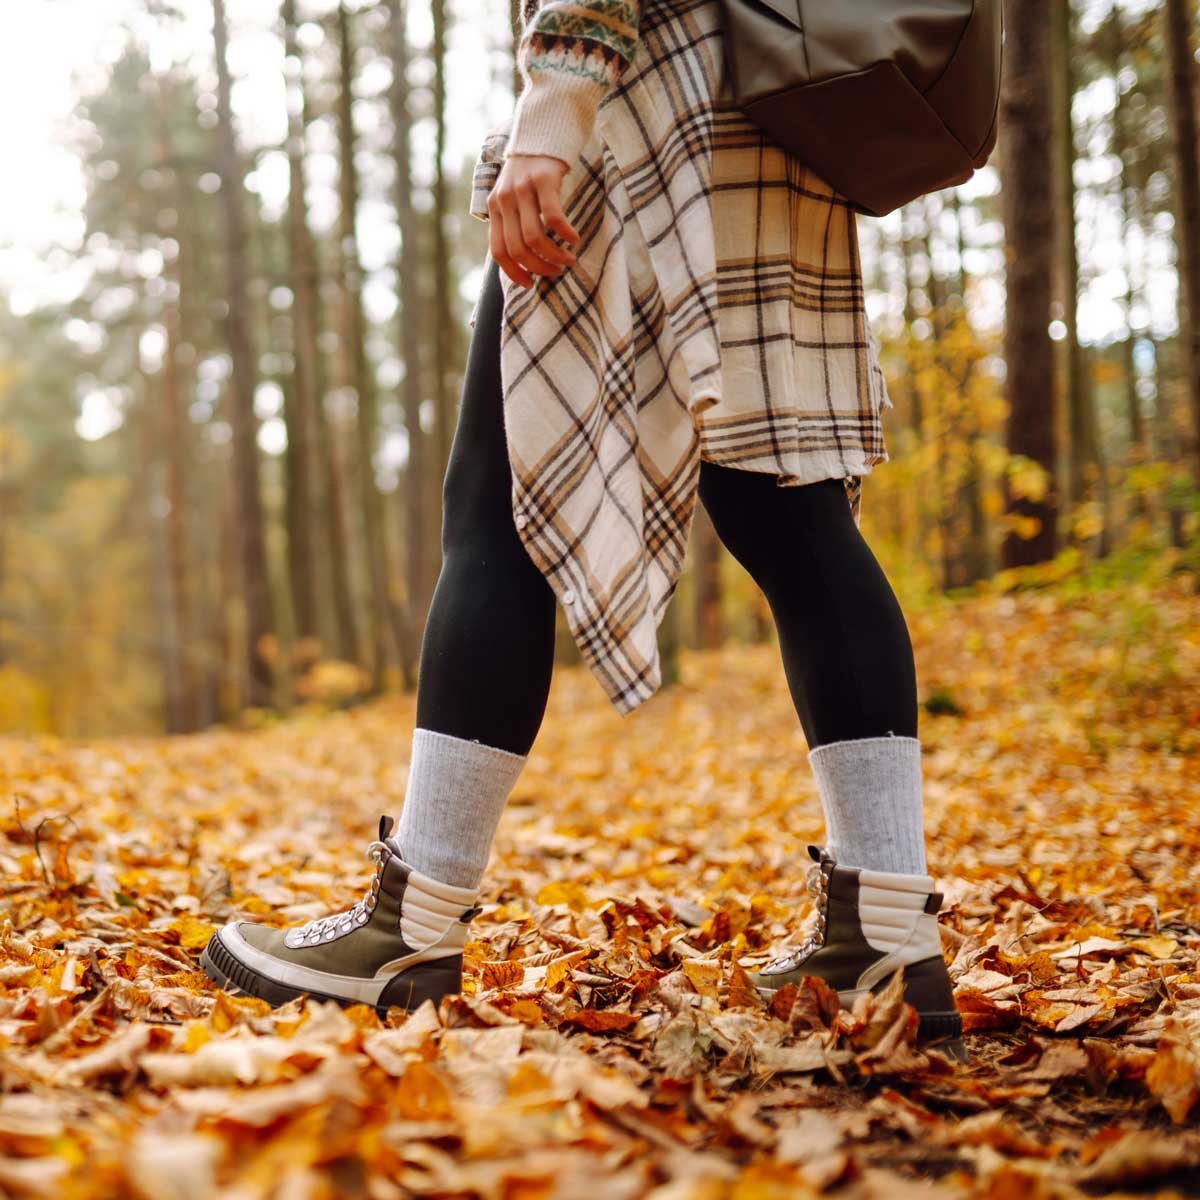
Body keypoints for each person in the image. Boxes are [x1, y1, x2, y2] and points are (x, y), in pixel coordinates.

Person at [202, 0, 964, 1059]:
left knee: (498, 502)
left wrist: (552, 113)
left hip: (643, 120)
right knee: (789, 509)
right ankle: (884, 938)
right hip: (764, 127)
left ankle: (409, 929)